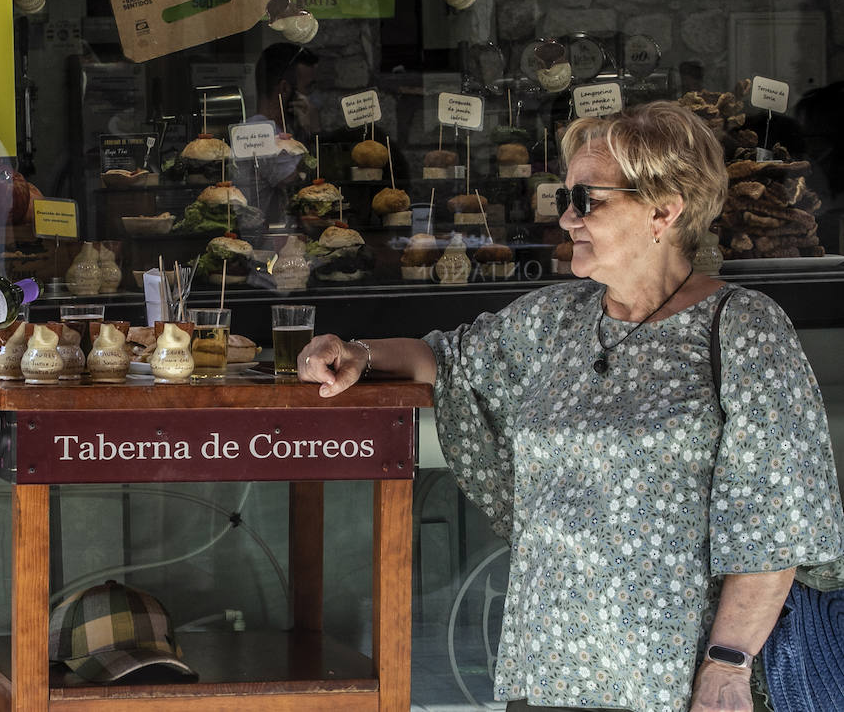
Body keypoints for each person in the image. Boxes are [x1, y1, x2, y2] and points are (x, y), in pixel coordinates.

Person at [298, 101, 844, 712]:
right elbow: (447, 360)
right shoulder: (555, 318)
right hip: (550, 663)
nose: (566, 218)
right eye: (566, 197)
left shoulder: (743, 330)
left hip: (675, 674)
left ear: (663, 210)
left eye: (588, 200)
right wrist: (354, 352)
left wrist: (727, 667)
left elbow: (777, 524)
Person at [233, 43, 320, 218]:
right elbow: (297, 185)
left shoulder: (279, 132)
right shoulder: (258, 132)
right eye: (308, 88)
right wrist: (313, 131)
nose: (311, 98)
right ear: (285, 89)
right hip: (261, 237)